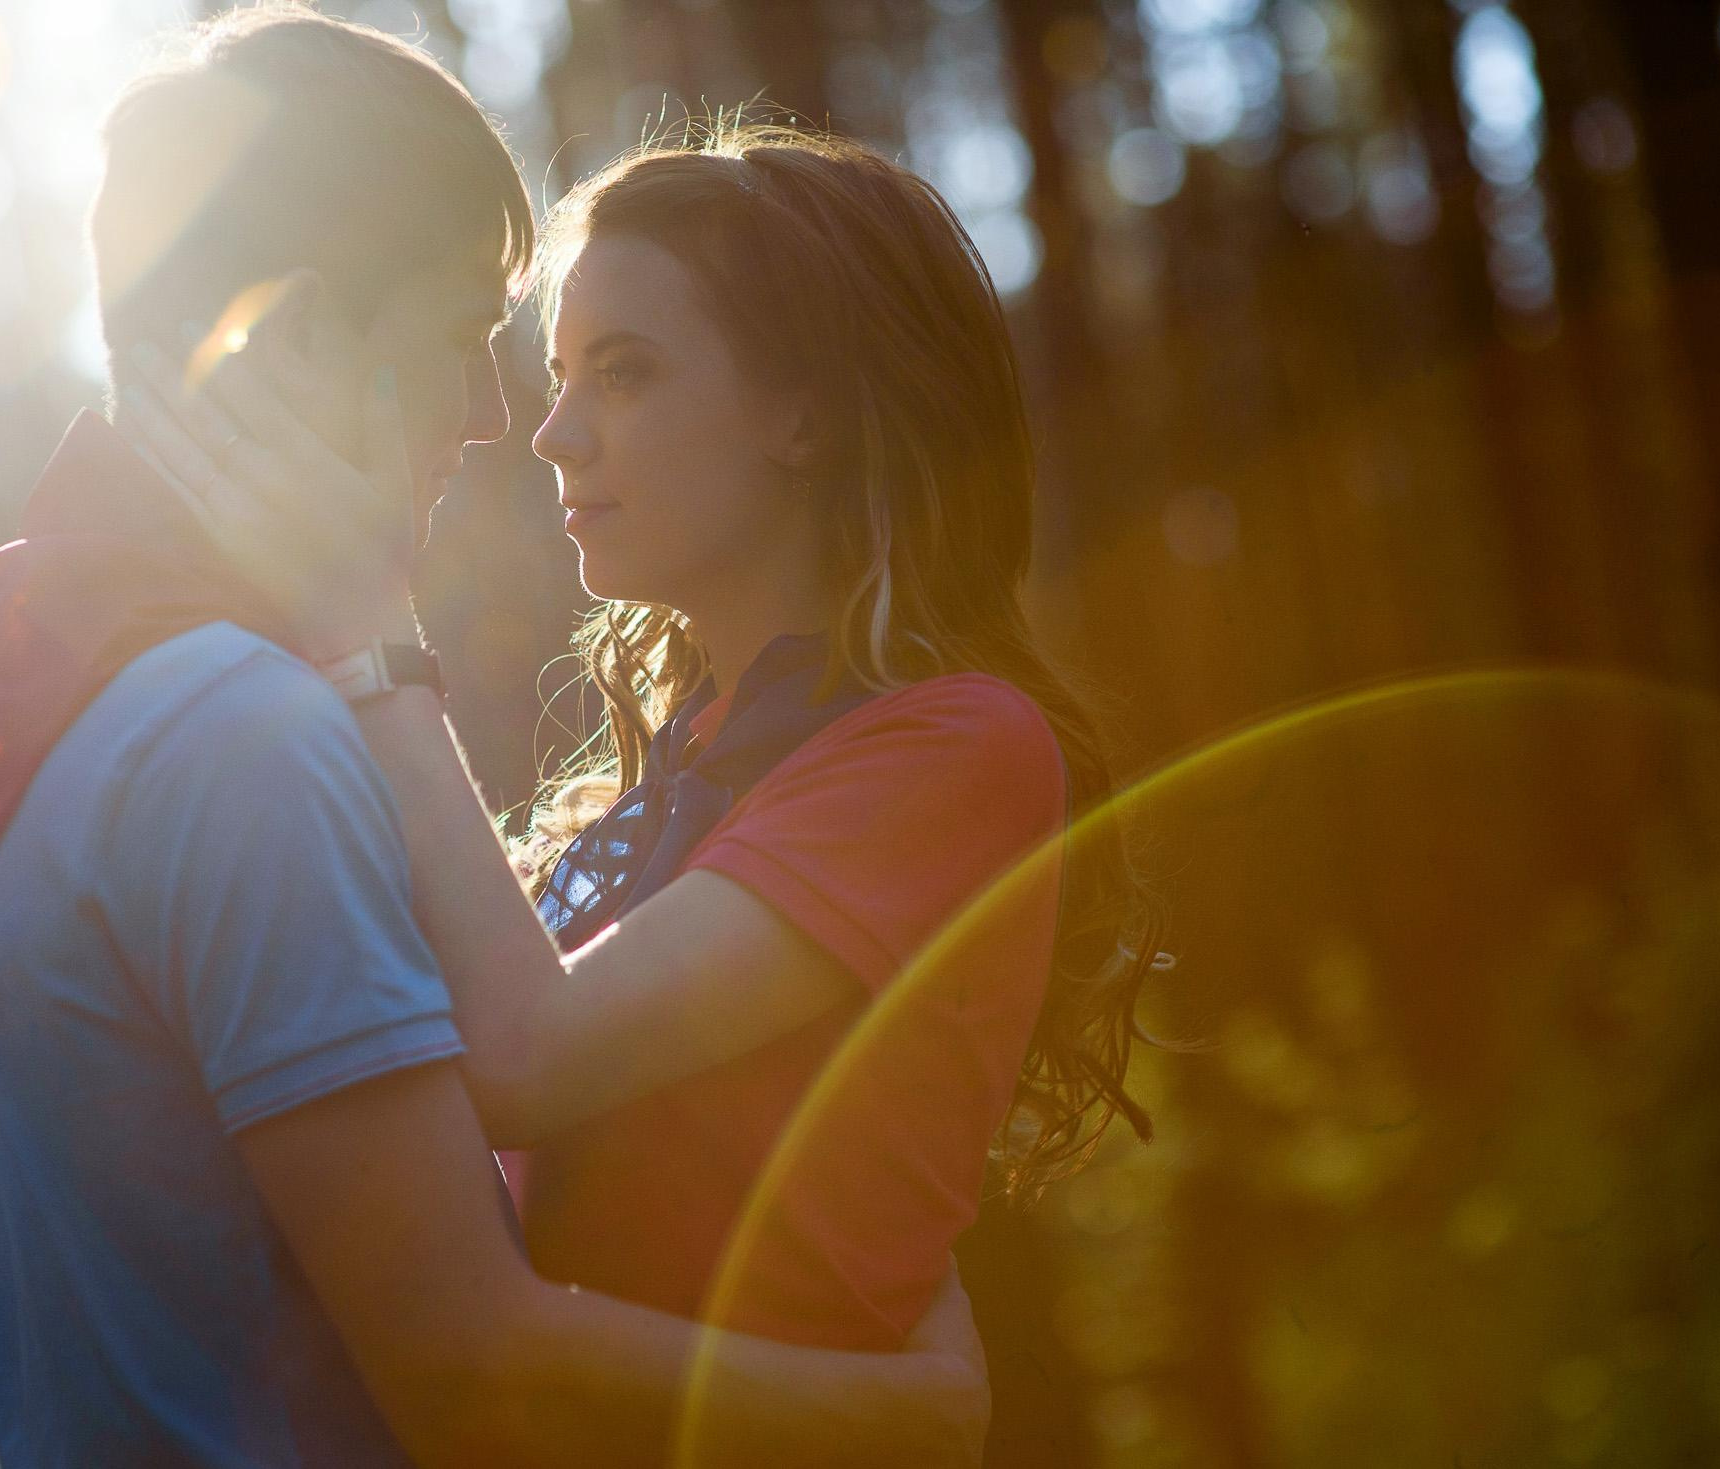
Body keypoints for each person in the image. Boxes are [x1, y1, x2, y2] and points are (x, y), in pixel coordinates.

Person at [0, 10, 987, 1467]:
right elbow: (475, 1364)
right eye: (462, 342)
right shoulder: (246, 737)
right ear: (297, 342)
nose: (501, 417)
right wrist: (906, 1417)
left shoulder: (8, 709)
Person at [126, 117, 1167, 1366]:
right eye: (561, 374)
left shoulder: (956, 748)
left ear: (805, 414)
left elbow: (523, 1051)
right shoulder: (676, 767)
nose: (556, 432)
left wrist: (364, 627)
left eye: (621, 373)